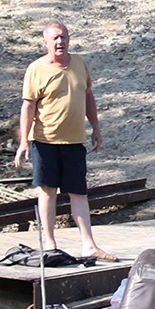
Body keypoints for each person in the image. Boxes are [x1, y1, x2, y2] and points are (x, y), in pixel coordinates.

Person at [13, 21, 115, 261]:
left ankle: (89, 245)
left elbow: (88, 96)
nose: (60, 42)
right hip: (45, 139)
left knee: (79, 192)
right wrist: (24, 141)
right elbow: (28, 106)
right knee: (47, 191)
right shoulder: (36, 69)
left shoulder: (80, 63)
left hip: (74, 140)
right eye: (55, 38)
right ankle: (49, 243)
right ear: (46, 42)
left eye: (64, 37)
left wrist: (96, 128)